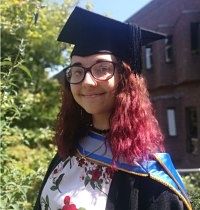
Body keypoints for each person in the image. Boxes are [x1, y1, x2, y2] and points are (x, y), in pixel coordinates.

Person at [34, 7, 192, 210]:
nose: (87, 82)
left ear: (126, 79)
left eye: (102, 69)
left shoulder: (150, 178)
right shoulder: (69, 151)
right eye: (77, 70)